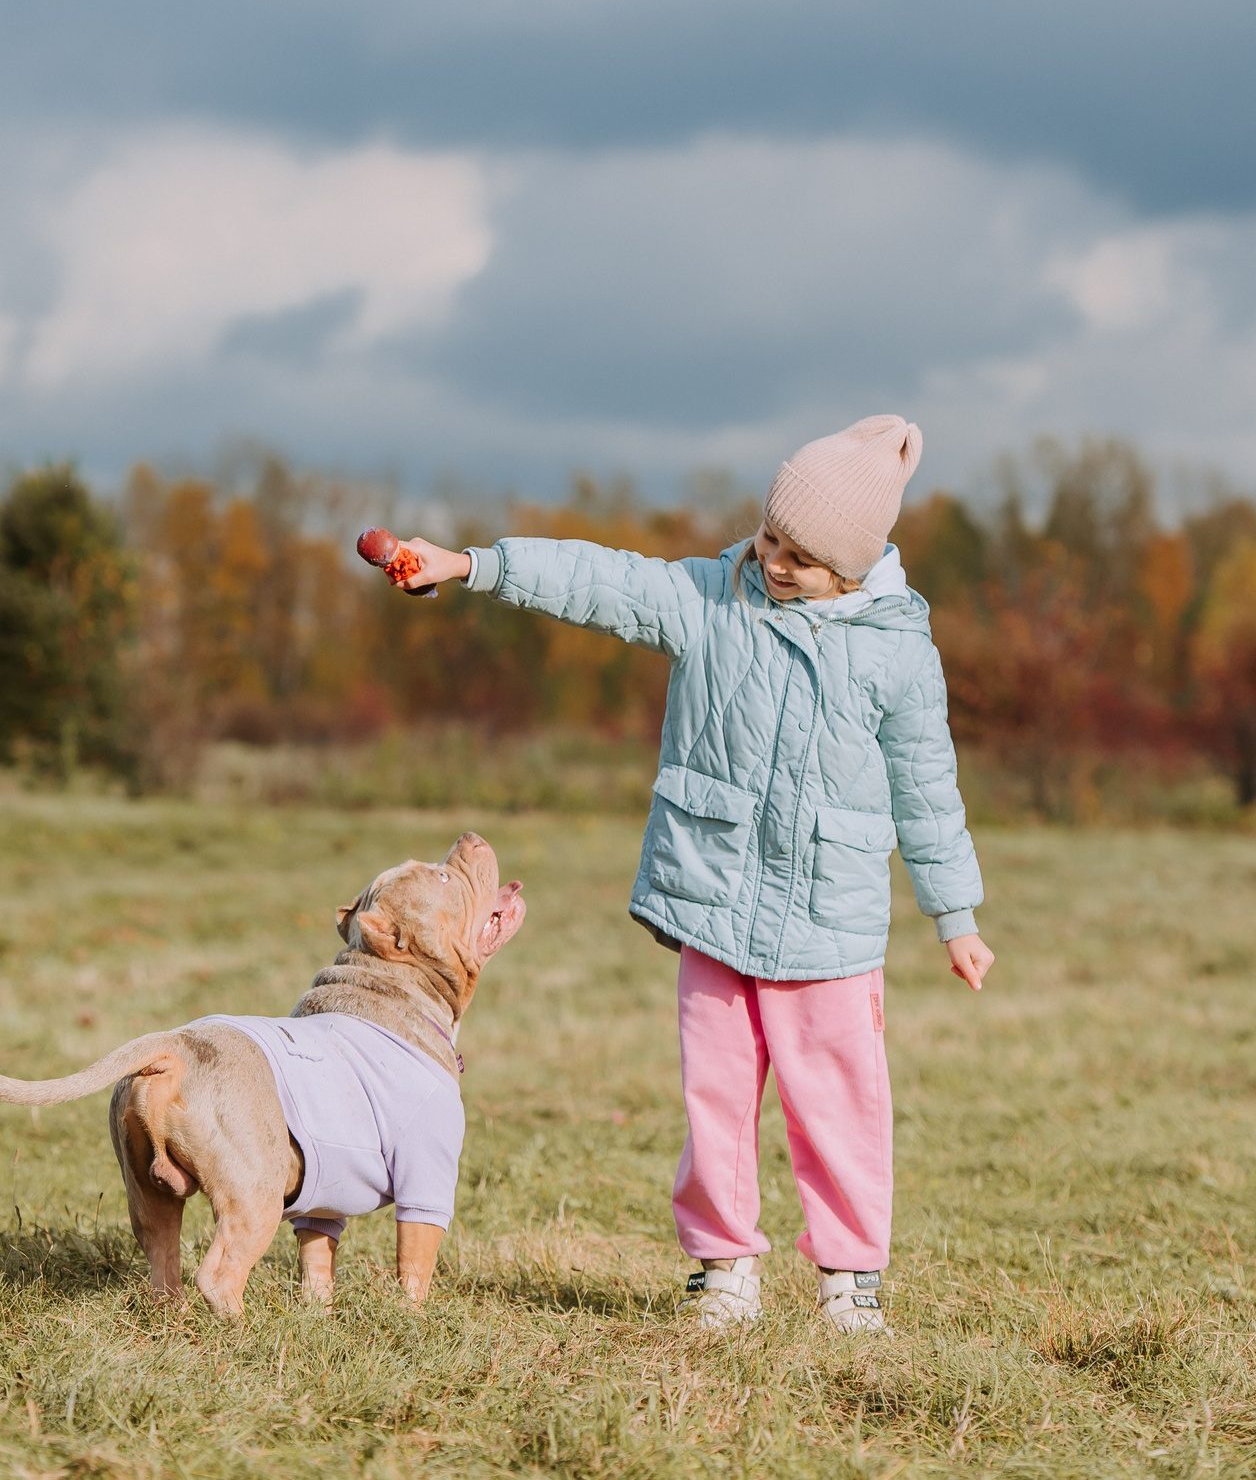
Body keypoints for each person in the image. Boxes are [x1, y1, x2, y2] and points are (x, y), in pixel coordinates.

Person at [378, 415, 989, 1334]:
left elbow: (928, 785)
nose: (774, 561)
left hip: (833, 920)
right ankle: (724, 1265)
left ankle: (850, 1276)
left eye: (802, 557)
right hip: (714, 902)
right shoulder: (711, 599)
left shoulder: (896, 647)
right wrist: (473, 565)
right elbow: (600, 581)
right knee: (716, 1099)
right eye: (771, 537)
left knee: (840, 1104)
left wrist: (957, 915)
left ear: (852, 567)